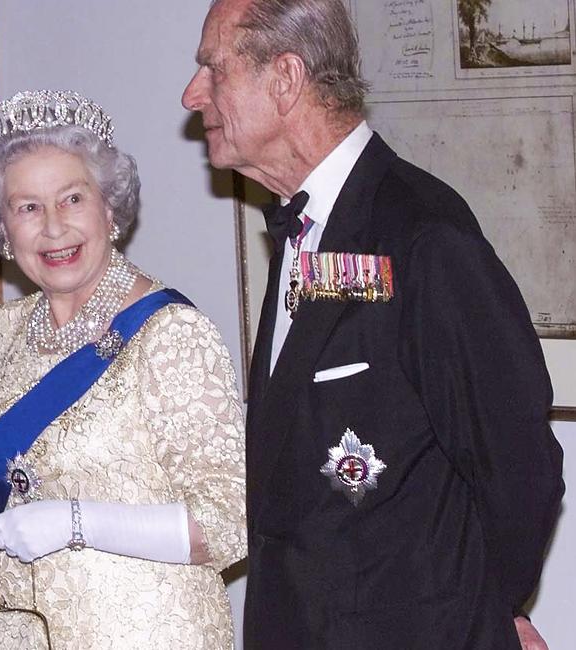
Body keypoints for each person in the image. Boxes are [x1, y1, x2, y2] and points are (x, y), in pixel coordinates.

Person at [182, 1, 564, 648]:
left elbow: (519, 463)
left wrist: (480, 613)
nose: (193, 94)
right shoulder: (305, 229)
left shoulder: (424, 234)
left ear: (285, 78)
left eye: (213, 70)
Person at [0, 90, 246, 649]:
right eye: (27, 207)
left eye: (72, 198)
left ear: (110, 208)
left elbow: (229, 523)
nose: (53, 227)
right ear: (2, 229)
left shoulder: (170, 333)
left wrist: (76, 522)